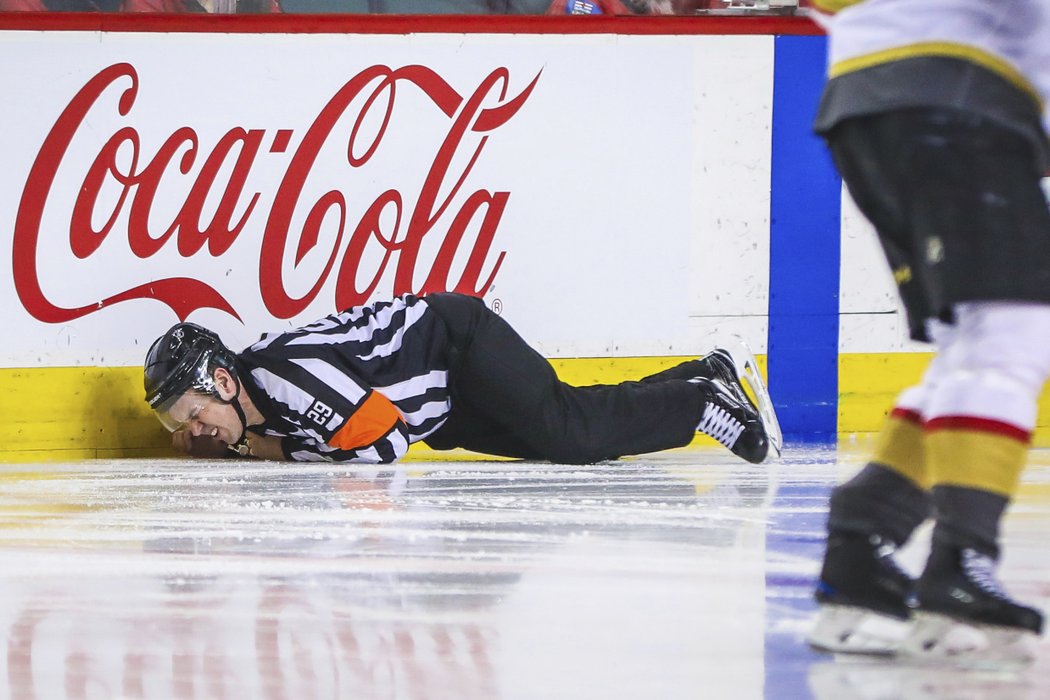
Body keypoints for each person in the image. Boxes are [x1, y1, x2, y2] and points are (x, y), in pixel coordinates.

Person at [806, 0, 1049, 662]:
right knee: (1012, 336)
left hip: (868, 98)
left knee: (974, 343)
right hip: (956, 98)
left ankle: (861, 547)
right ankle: (960, 564)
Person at [143, 292, 782, 467]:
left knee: (566, 432)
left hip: (458, 348)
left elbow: (385, 442)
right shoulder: (258, 399)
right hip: (441, 405)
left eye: (190, 409)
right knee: (568, 438)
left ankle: (700, 404)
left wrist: (259, 449)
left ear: (223, 382)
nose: (191, 427)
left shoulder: (284, 380)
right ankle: (702, 374)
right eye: (178, 422)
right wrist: (244, 443)